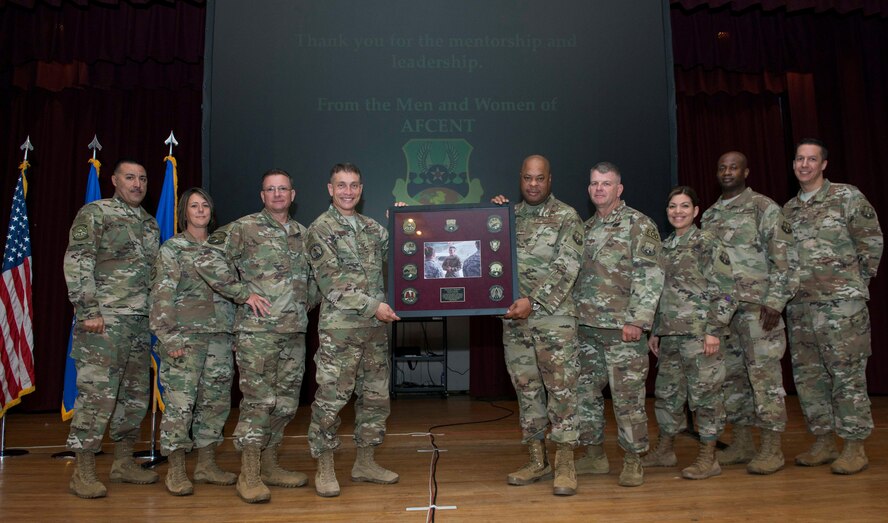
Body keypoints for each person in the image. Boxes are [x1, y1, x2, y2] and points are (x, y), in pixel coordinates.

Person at [196, 169, 317, 503]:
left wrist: (307, 300)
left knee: (286, 404)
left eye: (283, 189)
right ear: (262, 196)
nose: (277, 194)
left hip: (294, 332)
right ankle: (248, 474)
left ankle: (269, 465)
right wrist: (241, 293)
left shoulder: (304, 234)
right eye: (270, 189)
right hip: (257, 332)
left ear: (293, 195)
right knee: (258, 403)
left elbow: (319, 275)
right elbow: (206, 258)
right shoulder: (244, 227)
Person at [783, 139, 883, 475]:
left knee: (846, 375)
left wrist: (854, 284)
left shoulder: (846, 196)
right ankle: (823, 441)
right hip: (801, 308)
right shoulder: (788, 210)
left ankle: (854, 447)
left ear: (824, 164)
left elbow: (871, 240)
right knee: (809, 377)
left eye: (812, 159)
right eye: (800, 159)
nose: (805, 165)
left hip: (841, 307)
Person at [64, 159, 161, 498]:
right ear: (114, 180)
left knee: (134, 397)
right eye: (130, 177)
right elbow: (78, 261)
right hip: (104, 321)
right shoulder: (96, 213)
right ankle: (83, 471)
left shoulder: (149, 224)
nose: (137, 184)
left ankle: (123, 462)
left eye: (143, 179)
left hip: (139, 322)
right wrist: (88, 310)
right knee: (97, 396)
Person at [305, 162, 401, 497]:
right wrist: (375, 306)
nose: (348, 191)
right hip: (341, 332)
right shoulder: (320, 229)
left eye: (354, 185)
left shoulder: (373, 228)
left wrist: (404, 222)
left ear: (361, 189)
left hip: (375, 330)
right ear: (330, 189)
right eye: (342, 185)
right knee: (331, 400)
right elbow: (331, 285)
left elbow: (404, 257)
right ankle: (325, 465)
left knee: (375, 398)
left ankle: (365, 462)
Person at [700, 151, 797, 475]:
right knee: (732, 380)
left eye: (734, 167)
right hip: (725, 313)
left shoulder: (763, 207)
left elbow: (785, 258)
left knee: (765, 379)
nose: (727, 172)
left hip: (759, 311)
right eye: (722, 167)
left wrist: (776, 301)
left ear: (746, 172)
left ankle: (772, 448)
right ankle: (742, 443)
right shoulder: (710, 215)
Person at [492, 154, 583, 496]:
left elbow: (566, 268)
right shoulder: (507, 216)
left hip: (553, 319)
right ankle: (537, 460)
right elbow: (490, 260)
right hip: (516, 322)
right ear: (520, 178)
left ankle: (565, 463)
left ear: (550, 180)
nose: (533, 184)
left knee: (562, 391)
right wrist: (489, 216)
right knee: (526, 390)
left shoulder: (567, 217)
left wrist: (534, 301)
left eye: (539, 178)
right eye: (527, 178)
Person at [572, 161, 664, 487]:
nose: (599, 188)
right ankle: (594, 455)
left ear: (619, 188)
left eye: (606, 183)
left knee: (628, 399)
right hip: (586, 330)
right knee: (585, 394)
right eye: (594, 183)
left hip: (623, 331)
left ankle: (633, 459)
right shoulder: (584, 229)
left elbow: (650, 276)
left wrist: (637, 320)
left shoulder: (639, 224)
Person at [643, 186, 737, 480]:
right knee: (667, 394)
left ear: (696, 211)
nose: (678, 212)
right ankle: (665, 450)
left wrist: (714, 330)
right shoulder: (665, 247)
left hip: (700, 336)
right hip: (670, 335)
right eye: (673, 206)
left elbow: (727, 291)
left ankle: (709, 457)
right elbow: (661, 293)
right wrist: (656, 330)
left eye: (684, 206)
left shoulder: (707, 242)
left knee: (706, 396)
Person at [149, 188, 237, 495]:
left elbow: (234, 292)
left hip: (220, 338)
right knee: (180, 405)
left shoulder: (223, 249)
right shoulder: (173, 249)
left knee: (216, 403)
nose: (200, 211)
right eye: (194, 206)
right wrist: (168, 337)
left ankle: (206, 464)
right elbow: (161, 295)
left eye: (205, 206)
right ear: (184, 212)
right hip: (185, 339)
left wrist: (235, 333)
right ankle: (176, 470)